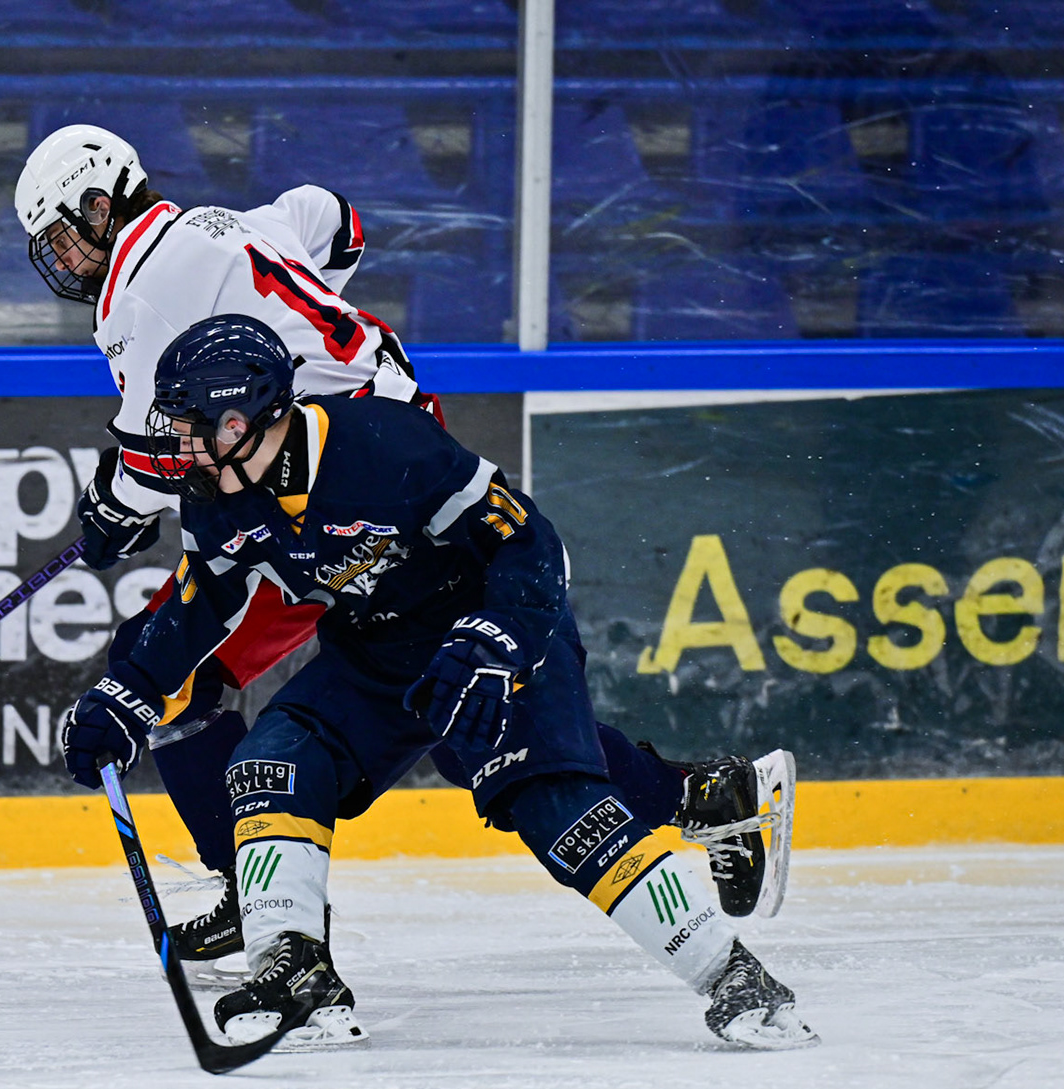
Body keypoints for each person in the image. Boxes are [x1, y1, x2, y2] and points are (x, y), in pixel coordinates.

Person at [59, 315, 816, 1051]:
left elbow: (530, 543)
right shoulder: (217, 496)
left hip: (493, 633)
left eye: (192, 426)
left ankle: (735, 977)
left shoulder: (385, 444)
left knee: (553, 805)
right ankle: (295, 972)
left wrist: (494, 641)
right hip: (378, 654)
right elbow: (200, 606)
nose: (179, 444)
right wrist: (128, 692)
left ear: (241, 421)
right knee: (271, 764)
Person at [14, 123, 443, 967]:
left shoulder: (139, 291)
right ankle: (691, 798)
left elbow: (157, 461)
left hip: (334, 492)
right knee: (475, 710)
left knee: (161, 669)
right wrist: (302, 336)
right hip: (394, 450)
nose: (60, 259)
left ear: (100, 206)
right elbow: (335, 220)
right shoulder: (230, 226)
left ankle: (255, 892)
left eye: (62, 235)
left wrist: (110, 513)